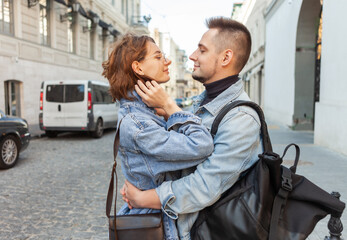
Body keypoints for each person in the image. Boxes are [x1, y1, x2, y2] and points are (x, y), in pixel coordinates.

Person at [121, 17, 263, 240]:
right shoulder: (202, 103)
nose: (192, 56)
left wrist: (143, 199)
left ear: (226, 57)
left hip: (207, 230)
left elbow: (204, 186)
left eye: (202, 50)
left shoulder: (242, 118)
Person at [101, 33, 214, 240]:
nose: (167, 61)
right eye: (158, 56)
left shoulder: (146, 113)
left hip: (157, 217)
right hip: (154, 226)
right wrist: (170, 106)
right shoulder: (139, 123)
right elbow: (203, 145)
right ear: (138, 67)